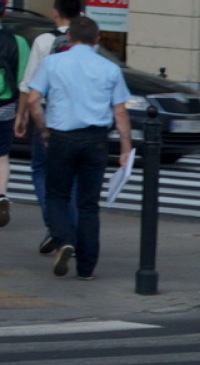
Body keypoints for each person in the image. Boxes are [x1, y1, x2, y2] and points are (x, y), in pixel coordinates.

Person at [23, 16, 132, 281]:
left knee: (57, 194)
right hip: (95, 139)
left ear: (69, 37)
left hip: (62, 136)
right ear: (97, 40)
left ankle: (63, 240)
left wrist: (44, 129)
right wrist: (126, 148)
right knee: (88, 203)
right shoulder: (109, 68)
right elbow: (120, 112)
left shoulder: (53, 62)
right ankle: (86, 267)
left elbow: (34, 100)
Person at [17, 0, 82, 251]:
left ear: (56, 12)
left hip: (48, 113)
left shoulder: (44, 41)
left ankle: (55, 226)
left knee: (42, 170)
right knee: (74, 176)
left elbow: (29, 84)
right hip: (78, 117)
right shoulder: (88, 42)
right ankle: (71, 231)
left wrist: (22, 115)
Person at [0, 0, 31, 229]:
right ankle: (1, 196)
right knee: (2, 155)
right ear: (4, 13)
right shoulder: (18, 42)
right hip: (6, 105)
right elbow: (24, 82)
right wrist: (22, 113)